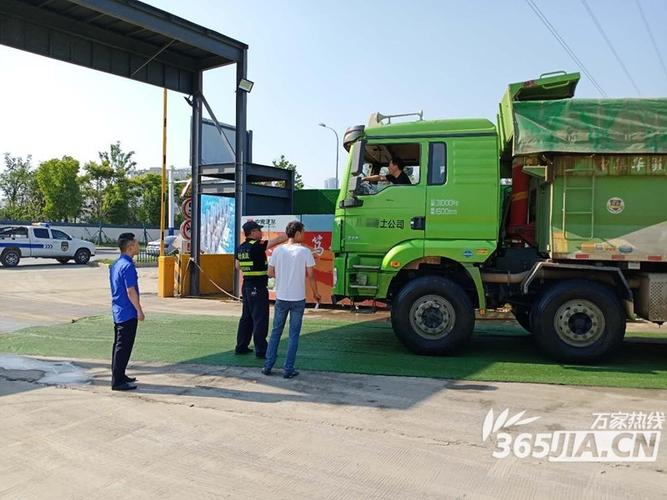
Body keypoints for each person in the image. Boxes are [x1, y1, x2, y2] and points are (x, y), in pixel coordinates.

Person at [262, 221, 321, 379]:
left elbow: (269, 272)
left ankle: (268, 365)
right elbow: (311, 276)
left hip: (281, 297)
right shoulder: (305, 252)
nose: (304, 234)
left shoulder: (277, 251)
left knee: (276, 332)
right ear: (296, 233)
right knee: (294, 334)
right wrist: (316, 294)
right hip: (298, 299)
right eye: (303, 231)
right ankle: (288, 369)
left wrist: (282, 276)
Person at [235, 221, 287, 358]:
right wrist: (291, 233)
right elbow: (277, 241)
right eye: (259, 230)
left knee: (246, 317)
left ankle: (241, 346)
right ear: (252, 233)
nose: (261, 232)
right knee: (260, 318)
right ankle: (261, 350)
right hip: (257, 287)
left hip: (246, 286)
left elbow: (237, 266)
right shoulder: (257, 246)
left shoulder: (240, 247)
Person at [109, 232, 144, 391]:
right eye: (136, 243)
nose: (138, 245)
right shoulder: (128, 266)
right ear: (130, 247)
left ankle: (120, 374)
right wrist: (139, 310)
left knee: (119, 345)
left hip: (118, 310)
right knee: (123, 347)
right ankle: (117, 381)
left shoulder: (116, 264)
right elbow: (131, 291)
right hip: (127, 312)